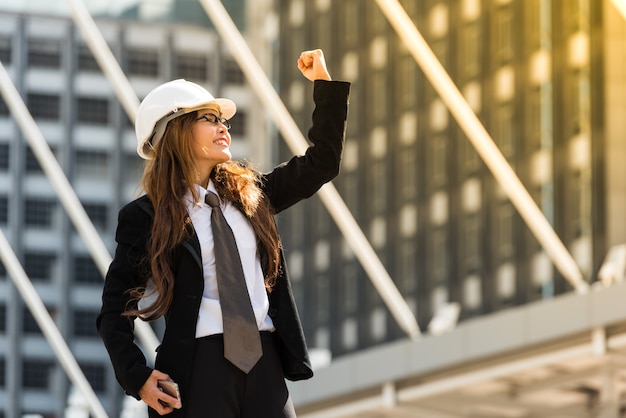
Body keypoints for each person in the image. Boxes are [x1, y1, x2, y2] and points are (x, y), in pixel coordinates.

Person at [96, 49, 350, 417]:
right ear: (176, 129)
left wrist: (324, 85)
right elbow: (113, 310)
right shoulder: (145, 217)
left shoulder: (252, 196)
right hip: (198, 373)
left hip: (265, 367)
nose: (224, 128)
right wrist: (137, 377)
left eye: (224, 120)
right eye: (210, 118)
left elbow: (323, 162)